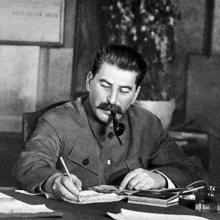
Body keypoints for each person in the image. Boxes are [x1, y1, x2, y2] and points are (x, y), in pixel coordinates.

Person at [13, 44, 207, 203]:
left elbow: (193, 168)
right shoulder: (57, 120)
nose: (113, 100)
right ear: (89, 81)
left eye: (123, 91)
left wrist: (158, 178)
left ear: (135, 94)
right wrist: (53, 181)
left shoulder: (147, 124)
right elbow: (30, 162)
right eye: (105, 86)